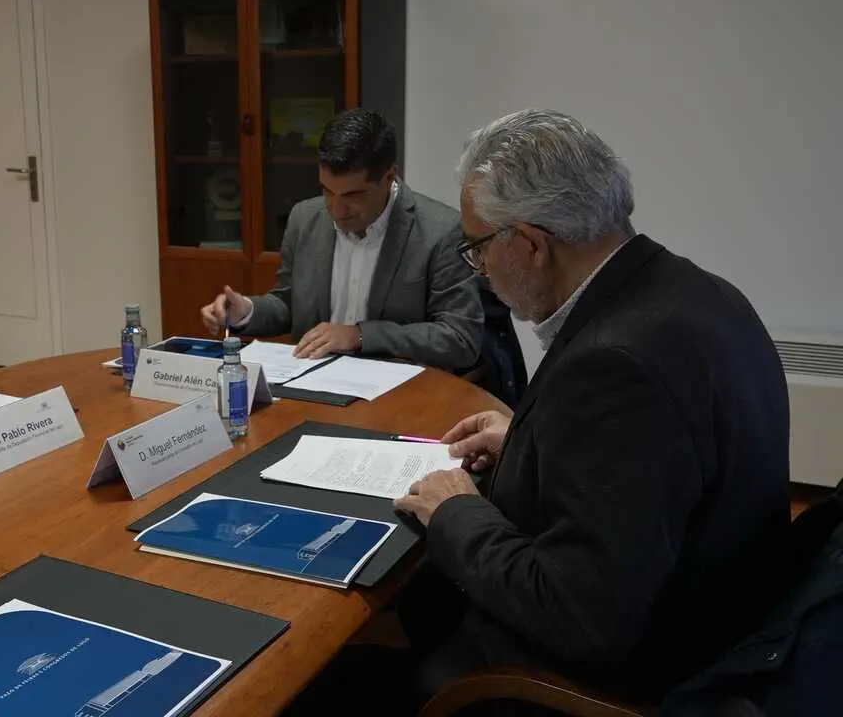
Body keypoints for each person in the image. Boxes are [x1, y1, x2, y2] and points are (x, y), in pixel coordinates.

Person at [287, 110, 790, 713]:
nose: (480, 269)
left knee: (329, 682)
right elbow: (643, 473)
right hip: (715, 618)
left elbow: (579, 617)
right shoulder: (696, 293)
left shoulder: (617, 366)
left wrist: (457, 512)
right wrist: (530, 438)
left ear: (529, 244)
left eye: (477, 249)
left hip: (621, 677)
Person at [198, 109, 482, 370]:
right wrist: (246, 311)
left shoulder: (440, 231)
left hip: (398, 395)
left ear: (389, 177)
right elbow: (287, 304)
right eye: (327, 191)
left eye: (352, 195)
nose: (336, 209)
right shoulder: (304, 218)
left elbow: (460, 338)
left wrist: (359, 335)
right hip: (311, 381)